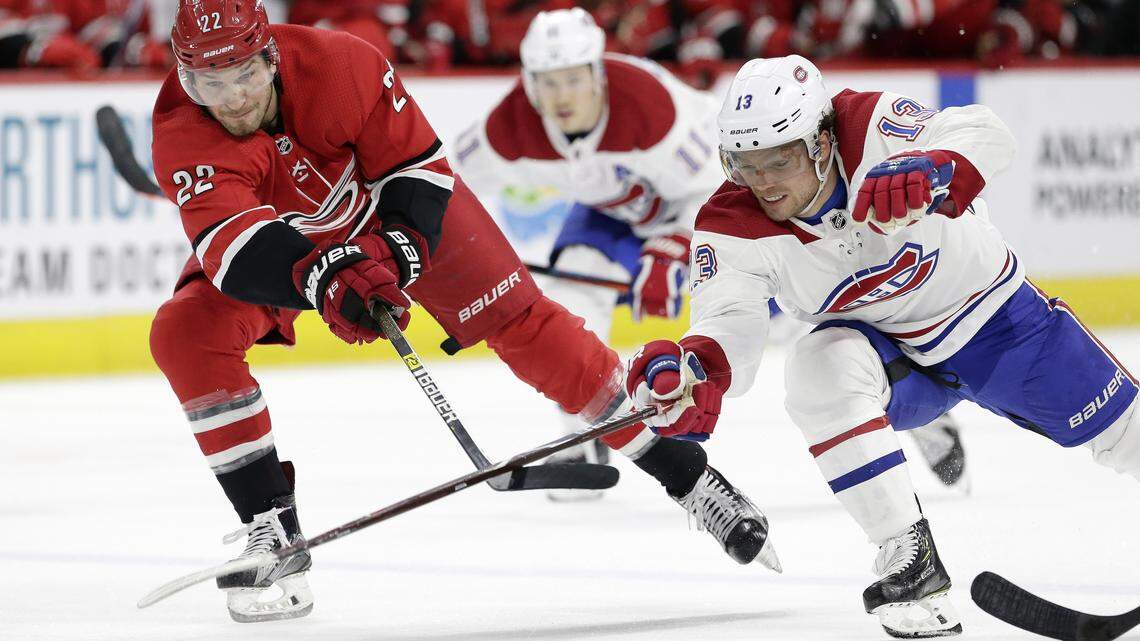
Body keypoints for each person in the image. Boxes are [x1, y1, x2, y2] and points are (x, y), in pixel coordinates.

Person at [148, 0, 780, 623]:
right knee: (185, 331)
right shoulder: (183, 129)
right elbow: (237, 247)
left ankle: (690, 478)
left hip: (393, 218)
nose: (230, 98)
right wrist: (323, 278)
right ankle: (273, 531)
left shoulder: (341, 66)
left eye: (245, 76)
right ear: (185, 75)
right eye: (210, 81)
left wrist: (396, 251)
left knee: (531, 329)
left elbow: (418, 167)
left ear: (270, 56)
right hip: (294, 242)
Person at [624, 55, 1139, 638]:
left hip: (996, 324)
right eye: (745, 164)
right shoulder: (730, 225)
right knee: (817, 367)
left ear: (821, 142)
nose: (763, 182)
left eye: (780, 158)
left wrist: (935, 168)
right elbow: (728, 329)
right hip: (892, 357)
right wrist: (697, 372)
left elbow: (987, 132)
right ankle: (910, 557)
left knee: (1129, 436)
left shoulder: (870, 125)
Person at [454, 8, 966, 501]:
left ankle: (913, 403)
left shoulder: (653, 109)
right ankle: (590, 442)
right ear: (528, 83)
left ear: (597, 74)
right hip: (614, 217)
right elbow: (448, 188)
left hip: (703, 217)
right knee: (570, 302)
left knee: (799, 317)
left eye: (571, 79)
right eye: (546, 81)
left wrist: (672, 248)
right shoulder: (507, 127)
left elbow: (725, 193)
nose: (560, 96)